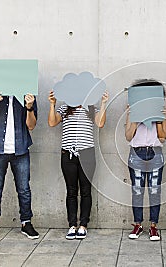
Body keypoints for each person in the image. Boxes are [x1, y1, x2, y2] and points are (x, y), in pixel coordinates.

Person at [0, 93, 39, 243]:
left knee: (24, 189)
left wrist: (29, 108)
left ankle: (26, 223)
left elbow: (31, 126)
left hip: (21, 150)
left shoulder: (27, 96)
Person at [48, 90, 108, 239]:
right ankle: (72, 225)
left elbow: (100, 123)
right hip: (68, 154)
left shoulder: (92, 108)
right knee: (71, 191)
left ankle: (83, 225)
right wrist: (52, 104)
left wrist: (104, 103)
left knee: (86, 190)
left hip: (87, 154)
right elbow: (52, 122)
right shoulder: (65, 108)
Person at [125, 80, 166, 241]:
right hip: (136, 153)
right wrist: (135, 119)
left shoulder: (161, 111)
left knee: (155, 191)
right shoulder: (131, 111)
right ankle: (138, 224)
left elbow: (163, 138)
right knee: (137, 190)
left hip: (155, 153)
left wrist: (158, 121)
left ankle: (154, 227)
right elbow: (128, 136)